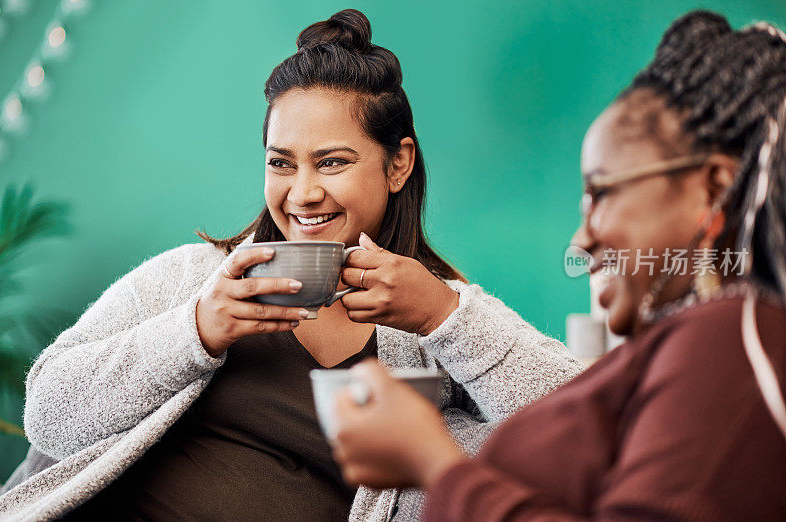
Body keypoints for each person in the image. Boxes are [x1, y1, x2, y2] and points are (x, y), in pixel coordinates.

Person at [0, 9, 582, 521]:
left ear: (398, 165)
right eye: (281, 163)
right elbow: (48, 418)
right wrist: (193, 330)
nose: (302, 194)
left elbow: (581, 434)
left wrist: (445, 313)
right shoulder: (192, 279)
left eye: (331, 162)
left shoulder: (433, 331)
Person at [330, 11, 786, 521]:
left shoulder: (728, 338)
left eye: (602, 194)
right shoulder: (692, 347)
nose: (582, 238)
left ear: (714, 188)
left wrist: (434, 466)